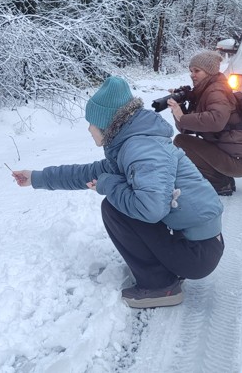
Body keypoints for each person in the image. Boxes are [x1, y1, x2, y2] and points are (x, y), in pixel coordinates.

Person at [11, 76, 224, 309]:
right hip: (196, 244)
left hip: (197, 253)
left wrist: (109, 186)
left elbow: (151, 210)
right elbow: (87, 173)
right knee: (121, 200)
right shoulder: (129, 144)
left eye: (91, 122)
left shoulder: (141, 148)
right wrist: (35, 177)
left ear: (106, 123)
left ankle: (159, 285)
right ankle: (165, 271)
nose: (89, 128)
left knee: (114, 208)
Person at [167, 50, 242, 196]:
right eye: (191, 71)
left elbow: (216, 121)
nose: (192, 74)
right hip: (236, 157)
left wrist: (183, 117)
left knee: (182, 142)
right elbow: (186, 129)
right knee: (183, 140)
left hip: (239, 161)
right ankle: (223, 179)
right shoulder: (206, 91)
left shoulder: (216, 91)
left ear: (209, 72)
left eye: (197, 70)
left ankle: (221, 183)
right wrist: (178, 111)